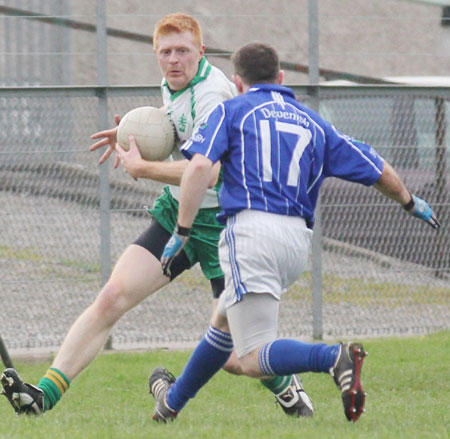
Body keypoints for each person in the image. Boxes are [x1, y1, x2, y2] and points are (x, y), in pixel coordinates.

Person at [0, 14, 312, 418]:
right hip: (178, 212)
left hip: (225, 225)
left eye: (182, 51)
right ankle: (43, 396)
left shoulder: (213, 93)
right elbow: (175, 132)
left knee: (238, 354)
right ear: (156, 56)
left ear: (201, 52)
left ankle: (288, 386)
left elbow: (209, 170)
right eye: (165, 53)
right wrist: (136, 135)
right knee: (112, 296)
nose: (173, 60)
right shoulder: (171, 84)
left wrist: (143, 168)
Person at [148, 42, 441, 423]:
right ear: (281, 78)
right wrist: (409, 202)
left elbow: (199, 167)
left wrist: (181, 231)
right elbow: (378, 168)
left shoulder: (232, 109)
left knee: (250, 358)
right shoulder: (314, 121)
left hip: (251, 233)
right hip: (295, 242)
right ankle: (169, 407)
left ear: (237, 82)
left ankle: (333, 358)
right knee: (222, 322)